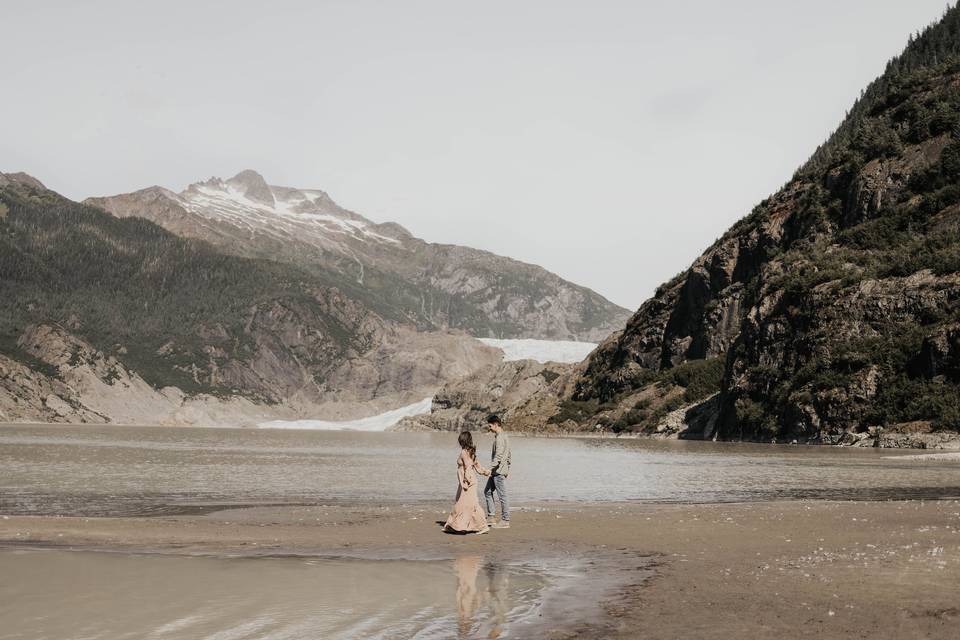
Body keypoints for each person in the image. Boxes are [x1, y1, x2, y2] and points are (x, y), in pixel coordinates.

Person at [444, 431, 491, 535]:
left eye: (460, 440)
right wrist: (485, 472)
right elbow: (477, 466)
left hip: (467, 482)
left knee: (471, 504)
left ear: (463, 440)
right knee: (462, 503)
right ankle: (454, 525)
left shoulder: (464, 452)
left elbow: (468, 467)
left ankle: (482, 526)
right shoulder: (470, 451)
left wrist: (466, 481)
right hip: (466, 481)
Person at [484, 414, 511, 528]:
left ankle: (505, 520)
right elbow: (509, 456)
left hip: (498, 472)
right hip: (497, 471)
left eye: (490, 426)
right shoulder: (504, 436)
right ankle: (491, 517)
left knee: (502, 496)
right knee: (487, 492)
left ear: (495, 424)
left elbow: (499, 456)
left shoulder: (500, 437)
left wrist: (489, 469)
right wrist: (507, 469)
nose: (489, 428)